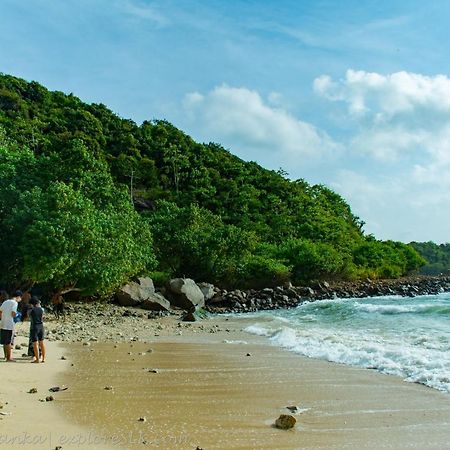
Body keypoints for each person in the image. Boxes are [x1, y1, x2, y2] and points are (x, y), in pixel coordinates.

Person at [0, 290, 23, 361]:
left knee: (4, 341)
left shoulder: (5, 302)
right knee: (9, 341)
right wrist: (17, 315)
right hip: (9, 324)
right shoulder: (15, 303)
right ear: (18, 297)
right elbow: (13, 313)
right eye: (20, 298)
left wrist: (2, 318)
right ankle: (9, 358)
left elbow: (0, 311)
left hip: (3, 323)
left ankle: (5, 356)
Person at [29, 296, 46, 363]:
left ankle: (37, 359)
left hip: (34, 327)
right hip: (41, 326)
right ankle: (44, 358)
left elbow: (29, 317)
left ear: (32, 304)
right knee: (41, 343)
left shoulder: (31, 310)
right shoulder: (42, 309)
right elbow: (42, 317)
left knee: (35, 343)